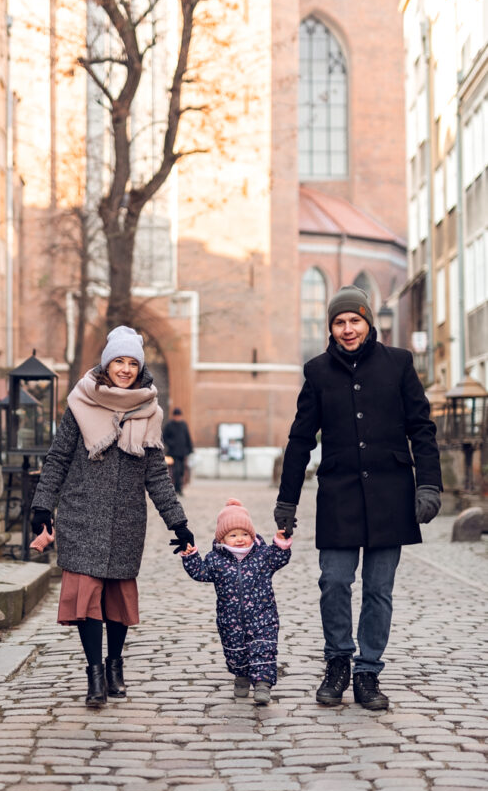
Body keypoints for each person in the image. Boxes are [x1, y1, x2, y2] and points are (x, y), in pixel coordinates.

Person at [274, 285, 442, 711]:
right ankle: (337, 663)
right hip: (339, 495)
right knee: (333, 581)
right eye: (339, 322)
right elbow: (299, 441)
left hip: (391, 494)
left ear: (369, 323)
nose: (348, 329)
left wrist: (429, 484)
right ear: (331, 328)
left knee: (379, 589)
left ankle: (368, 672)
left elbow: (421, 428)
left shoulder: (398, 364)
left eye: (355, 320)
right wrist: (287, 502)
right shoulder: (317, 372)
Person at [30, 325, 195, 708]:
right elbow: (58, 457)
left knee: (118, 598)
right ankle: (95, 674)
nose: (125, 369)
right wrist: (43, 504)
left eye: (132, 362)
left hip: (125, 517)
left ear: (140, 366)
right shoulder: (80, 403)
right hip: (81, 512)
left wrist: (179, 522)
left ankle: (116, 663)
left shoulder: (149, 411)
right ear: (107, 364)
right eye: (118, 361)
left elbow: (156, 474)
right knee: (86, 596)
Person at [180, 498, 291, 705]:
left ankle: (262, 685)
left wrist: (281, 543)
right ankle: (241, 676)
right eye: (233, 535)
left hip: (263, 617)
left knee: (263, 650)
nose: (240, 539)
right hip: (230, 621)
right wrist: (191, 557)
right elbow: (200, 573)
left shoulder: (263, 555)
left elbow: (280, 558)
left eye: (245, 534)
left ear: (252, 535)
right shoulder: (215, 560)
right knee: (235, 653)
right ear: (222, 539)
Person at [162, 408, 194, 494]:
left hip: (182, 452)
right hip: (173, 453)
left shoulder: (183, 424)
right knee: (175, 470)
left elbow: (187, 437)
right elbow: (164, 437)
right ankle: (176, 489)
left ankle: (180, 488)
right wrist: (171, 444)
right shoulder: (169, 425)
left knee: (181, 471)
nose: (178, 418)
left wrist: (190, 449)